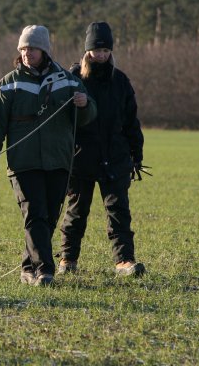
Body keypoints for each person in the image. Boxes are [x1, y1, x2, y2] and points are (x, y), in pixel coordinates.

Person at [0, 25, 97, 286]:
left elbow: (88, 117)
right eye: (22, 48)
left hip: (59, 160)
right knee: (34, 214)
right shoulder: (8, 84)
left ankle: (27, 268)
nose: (26, 53)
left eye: (31, 48)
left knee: (48, 217)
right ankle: (45, 270)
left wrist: (85, 104)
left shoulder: (68, 80)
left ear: (44, 50)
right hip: (23, 161)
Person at [58, 21, 146, 277]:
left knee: (119, 212)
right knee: (76, 212)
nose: (102, 55)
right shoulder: (73, 79)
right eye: (97, 50)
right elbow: (61, 120)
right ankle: (68, 260)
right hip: (81, 157)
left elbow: (131, 120)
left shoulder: (120, 81)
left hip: (115, 157)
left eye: (106, 50)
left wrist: (136, 154)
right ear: (87, 51)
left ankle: (124, 261)